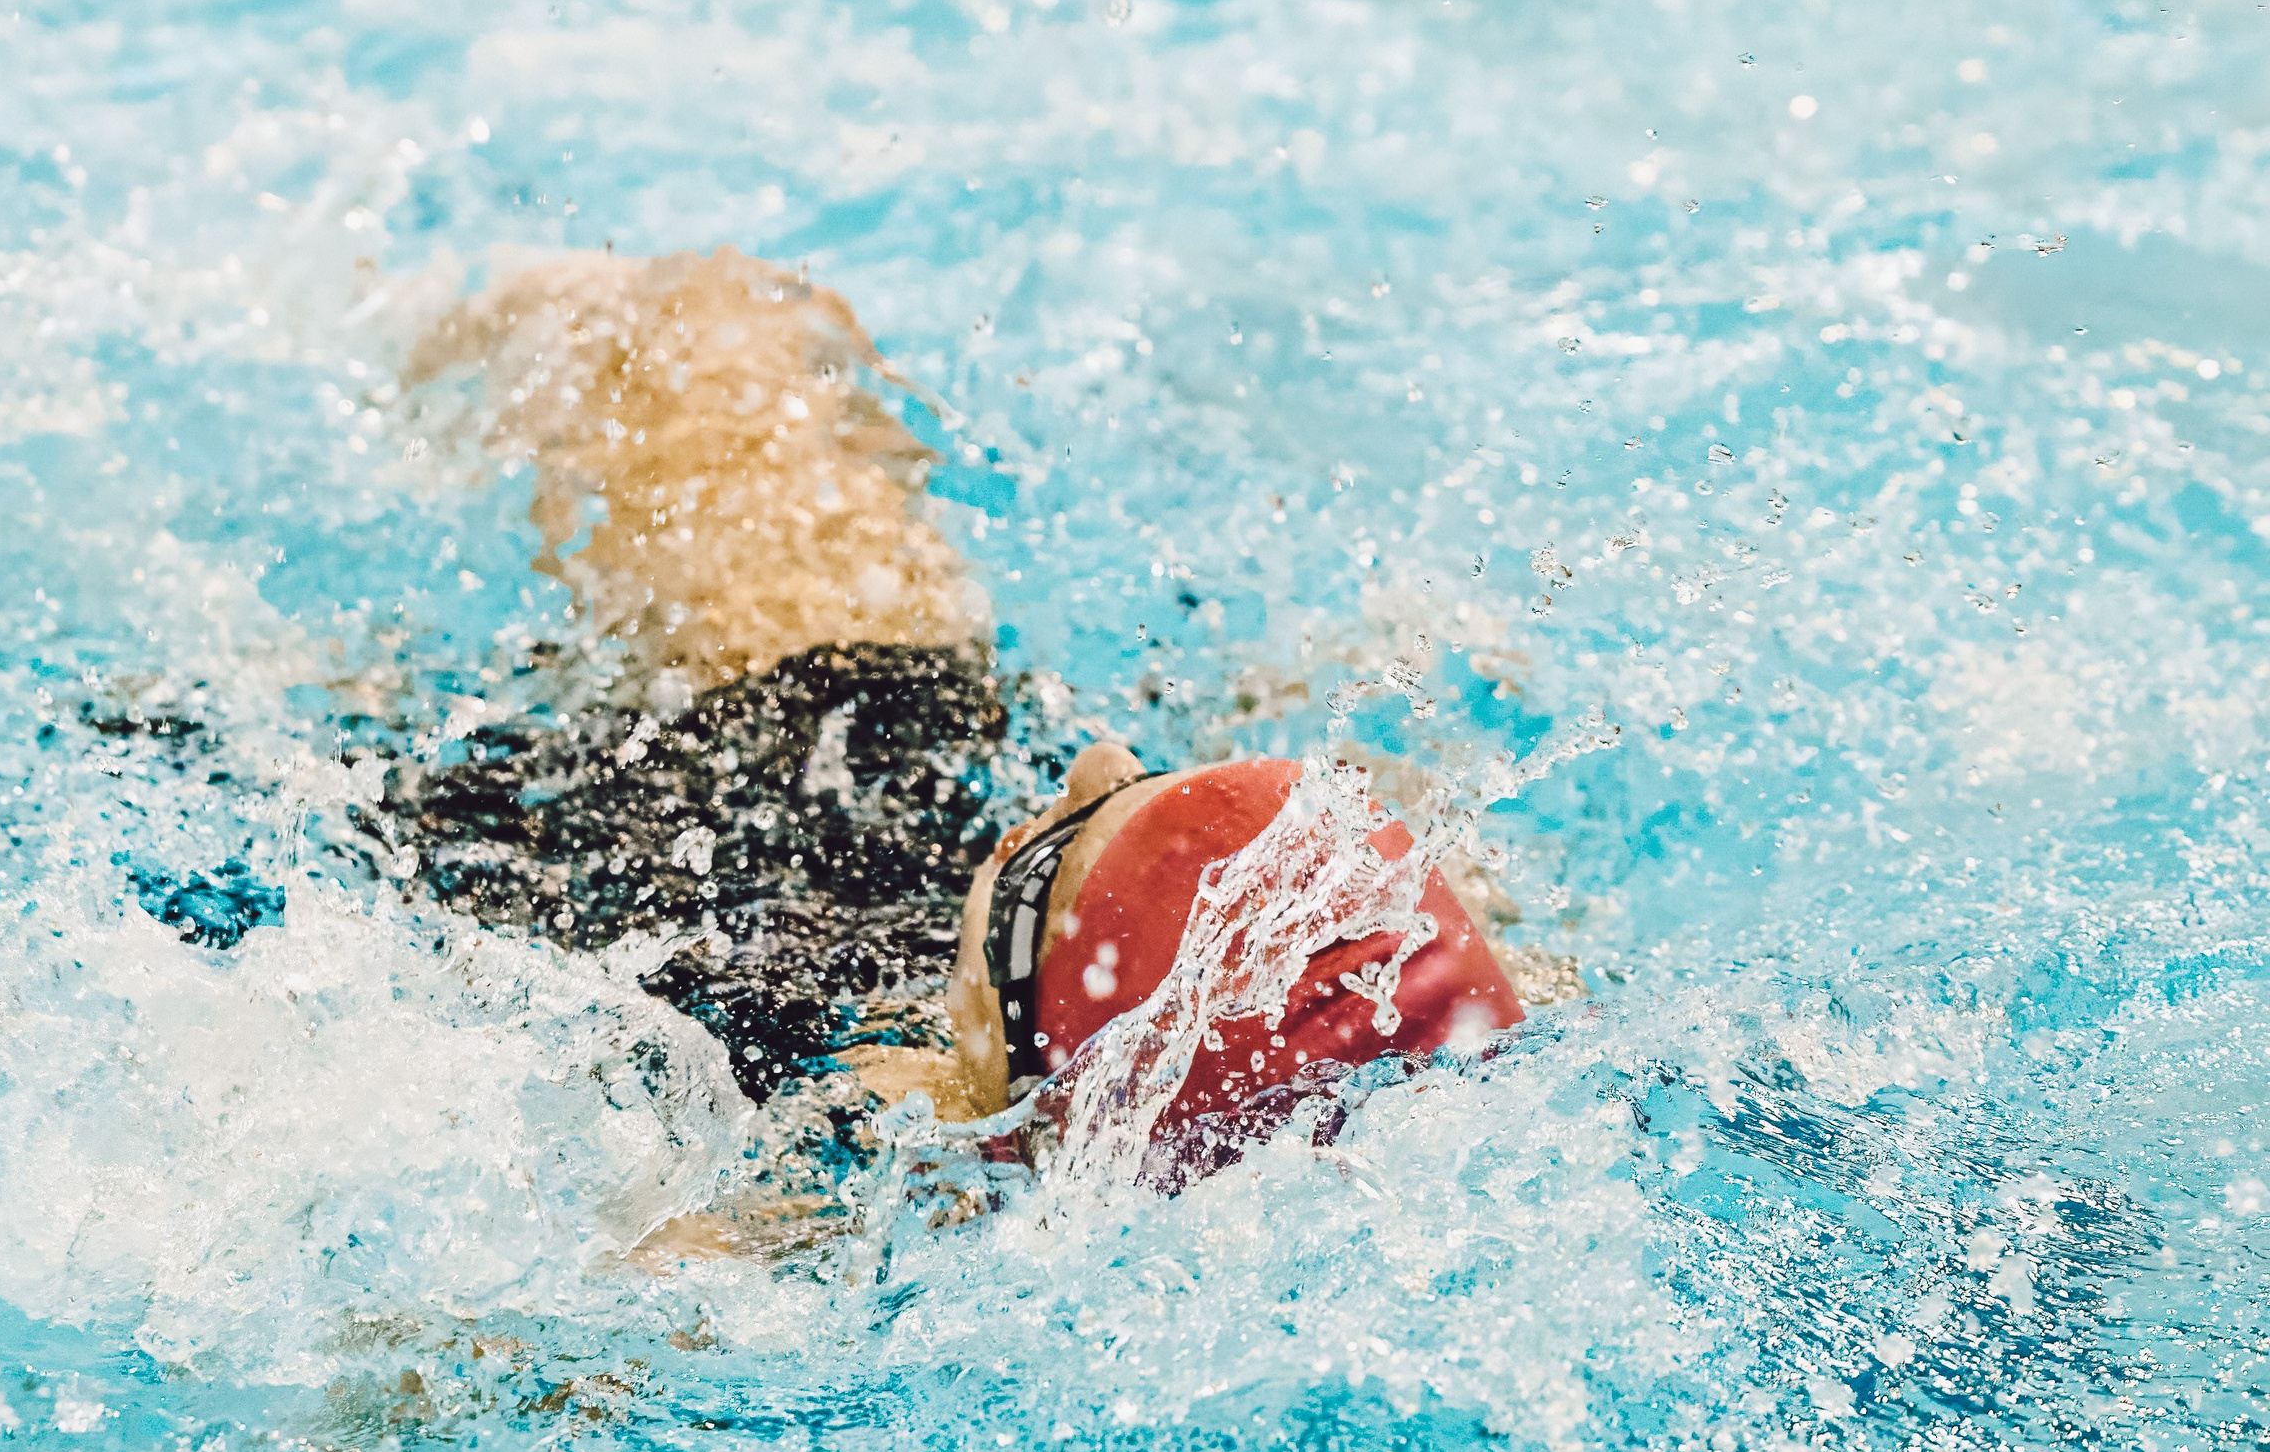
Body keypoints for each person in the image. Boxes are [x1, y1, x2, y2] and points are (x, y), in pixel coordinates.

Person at [372, 246, 1540, 1221]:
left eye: (1061, 833)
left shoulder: (791, 1172)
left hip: (726, 799)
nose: (1101, 757)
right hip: (899, 900)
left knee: (698, 320)